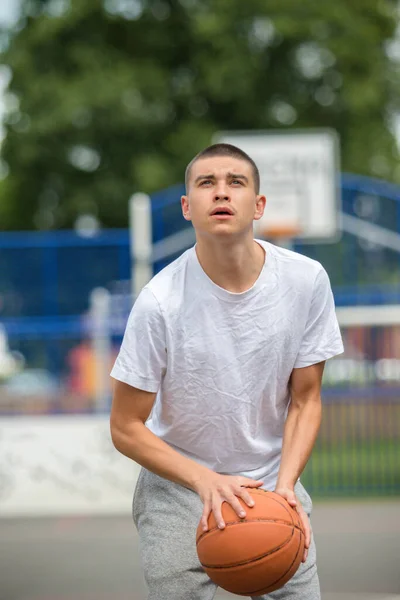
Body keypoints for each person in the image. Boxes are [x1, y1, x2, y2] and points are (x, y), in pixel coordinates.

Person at [110, 143, 344, 600]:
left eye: (235, 182)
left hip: (272, 483)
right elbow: (124, 426)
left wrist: (286, 489)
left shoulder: (306, 280)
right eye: (206, 183)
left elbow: (306, 399)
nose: (221, 192)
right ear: (186, 207)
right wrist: (205, 481)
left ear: (258, 205)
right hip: (181, 490)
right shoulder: (159, 302)